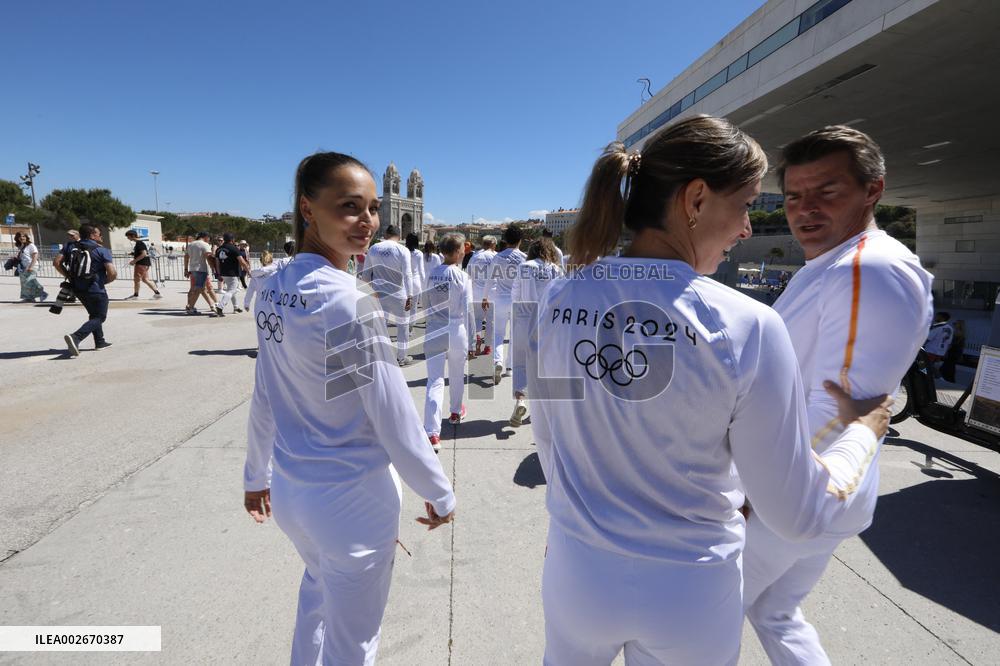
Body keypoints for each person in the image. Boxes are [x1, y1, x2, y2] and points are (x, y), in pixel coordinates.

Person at [527, 115, 892, 665]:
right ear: (696, 200)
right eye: (746, 205)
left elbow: (550, 437)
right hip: (687, 592)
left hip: (576, 571)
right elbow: (794, 511)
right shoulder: (746, 325)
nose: (748, 228)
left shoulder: (558, 299)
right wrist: (861, 435)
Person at [243, 151, 455, 666]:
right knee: (354, 641)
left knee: (316, 600)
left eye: (373, 208)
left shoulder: (272, 289)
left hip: (296, 495)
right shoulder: (348, 299)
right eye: (349, 207)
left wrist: (256, 473)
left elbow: (266, 386)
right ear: (308, 209)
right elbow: (391, 411)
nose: (367, 222)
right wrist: (439, 491)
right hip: (352, 501)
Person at [742, 125, 934, 665]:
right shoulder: (838, 263)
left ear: (872, 189)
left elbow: (841, 404)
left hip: (795, 496)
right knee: (775, 613)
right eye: (796, 195)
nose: (805, 209)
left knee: (693, 619)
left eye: (828, 191)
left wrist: (755, 492)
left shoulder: (865, 268)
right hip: (825, 492)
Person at [422, 233, 476, 452]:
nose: (464, 250)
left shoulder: (432, 273)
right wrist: (473, 341)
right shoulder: (461, 276)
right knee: (456, 374)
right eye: (463, 247)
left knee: (434, 380)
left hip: (435, 327)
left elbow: (424, 302)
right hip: (456, 328)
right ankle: (455, 412)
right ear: (457, 251)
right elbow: (468, 310)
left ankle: (433, 433)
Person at [508, 237, 563, 427]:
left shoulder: (525, 267)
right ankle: (543, 412)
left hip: (524, 320)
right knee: (545, 367)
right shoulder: (556, 269)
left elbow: (515, 294)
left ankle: (521, 399)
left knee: (520, 364)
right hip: (546, 322)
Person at [54, 224, 117, 355]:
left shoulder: (70, 247)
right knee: (100, 317)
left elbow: (56, 263)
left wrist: (68, 276)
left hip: (78, 288)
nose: (101, 236)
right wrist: (104, 281)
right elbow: (112, 272)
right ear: (92, 235)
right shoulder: (102, 250)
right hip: (96, 288)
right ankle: (76, 337)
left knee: (93, 314)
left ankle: (100, 341)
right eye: (99, 234)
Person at [360, 225, 414, 365]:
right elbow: (408, 274)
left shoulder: (373, 248)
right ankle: (401, 358)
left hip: (378, 294)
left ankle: (382, 356)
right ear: (399, 234)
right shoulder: (403, 250)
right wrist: (410, 295)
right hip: (398, 294)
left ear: (385, 234)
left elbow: (366, 274)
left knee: (380, 326)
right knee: (403, 326)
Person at [482, 226, 526, 384]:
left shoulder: (498, 257)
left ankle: (497, 362)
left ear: (505, 240)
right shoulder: (524, 258)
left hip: (500, 299)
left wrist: (485, 297)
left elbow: (489, 279)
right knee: (515, 336)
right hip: (518, 301)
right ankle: (509, 368)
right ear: (520, 240)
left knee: (498, 334)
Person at [465, 235, 497, 356]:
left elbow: (468, 275)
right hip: (492, 293)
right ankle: (488, 346)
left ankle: (477, 337)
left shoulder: (475, 257)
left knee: (477, 318)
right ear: (493, 244)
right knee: (491, 321)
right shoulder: (496, 256)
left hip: (477, 292)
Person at [214, 232, 250, 315]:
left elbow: (217, 263)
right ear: (232, 239)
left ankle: (235, 307)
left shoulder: (219, 249)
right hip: (232, 273)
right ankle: (220, 306)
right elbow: (242, 262)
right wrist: (248, 271)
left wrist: (219, 274)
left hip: (223, 273)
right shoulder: (233, 248)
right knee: (231, 290)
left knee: (231, 290)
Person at [184, 231, 219, 315]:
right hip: (201, 269)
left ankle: (212, 305)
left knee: (201, 289)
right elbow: (208, 257)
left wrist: (185, 269)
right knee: (198, 289)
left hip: (193, 269)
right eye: (209, 238)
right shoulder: (205, 245)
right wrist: (213, 268)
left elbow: (186, 257)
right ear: (206, 237)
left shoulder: (191, 244)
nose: (209, 240)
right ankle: (190, 307)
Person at [124, 229, 162, 300]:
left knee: (137, 279)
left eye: (128, 236)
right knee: (145, 279)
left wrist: (134, 261)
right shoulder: (140, 243)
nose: (127, 238)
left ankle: (136, 295)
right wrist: (131, 253)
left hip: (141, 264)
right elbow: (141, 252)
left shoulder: (139, 243)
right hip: (145, 263)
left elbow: (143, 253)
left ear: (132, 236)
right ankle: (157, 293)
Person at [12, 232, 48, 302]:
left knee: (30, 281)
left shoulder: (31, 245)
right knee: (25, 283)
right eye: (20, 237)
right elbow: (24, 256)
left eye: (23, 236)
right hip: (23, 267)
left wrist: (31, 266)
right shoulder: (22, 246)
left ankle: (42, 293)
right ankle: (29, 298)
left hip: (32, 266)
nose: (22, 238)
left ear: (26, 237)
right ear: (17, 238)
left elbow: (35, 256)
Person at [923, 311, 954, 378]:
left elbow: (928, 339)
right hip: (940, 352)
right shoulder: (950, 329)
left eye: (937, 316)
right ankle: (938, 378)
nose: (935, 317)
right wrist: (945, 352)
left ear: (942, 318)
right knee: (931, 366)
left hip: (931, 350)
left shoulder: (937, 327)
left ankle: (924, 377)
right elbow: (949, 343)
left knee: (922, 364)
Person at [405, 232, 425, 326]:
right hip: (416, 282)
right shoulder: (419, 253)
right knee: (414, 307)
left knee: (404, 306)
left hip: (405, 282)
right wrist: (424, 285)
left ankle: (404, 324)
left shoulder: (403, 251)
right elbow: (421, 271)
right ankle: (411, 326)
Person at [940, 319, 966, 384]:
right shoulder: (961, 333)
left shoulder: (956, 333)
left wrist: (945, 352)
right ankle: (950, 380)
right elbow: (960, 346)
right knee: (950, 367)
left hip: (952, 352)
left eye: (955, 323)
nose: (954, 325)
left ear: (959, 325)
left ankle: (949, 380)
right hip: (955, 353)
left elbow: (951, 344)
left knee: (946, 367)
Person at [422, 240, 442, 310]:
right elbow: (439, 269)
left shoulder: (421, 256)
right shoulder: (436, 257)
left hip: (423, 281)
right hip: (433, 281)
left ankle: (426, 316)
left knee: (425, 300)